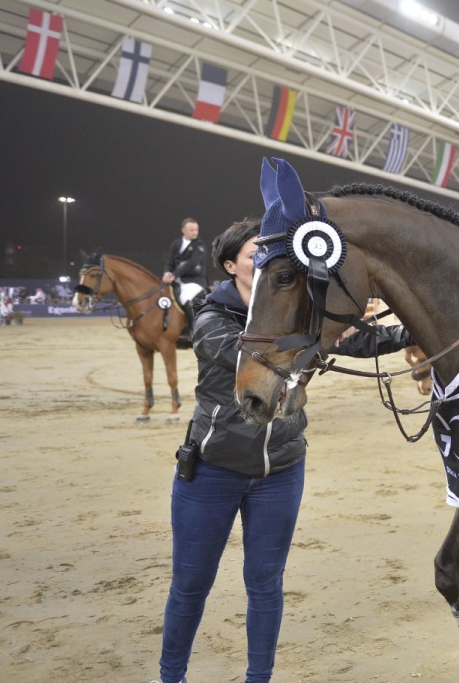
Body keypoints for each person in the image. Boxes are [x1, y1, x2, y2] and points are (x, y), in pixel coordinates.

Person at [154, 218, 412, 683]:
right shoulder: (213, 314)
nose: (266, 261)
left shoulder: (300, 315)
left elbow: (366, 342)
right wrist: (317, 334)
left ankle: (260, 678)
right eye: (254, 255)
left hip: (281, 473)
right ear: (231, 266)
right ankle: (171, 676)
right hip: (212, 472)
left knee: (266, 585)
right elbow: (244, 352)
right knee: (190, 586)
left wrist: (416, 329)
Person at [162, 218, 210, 343]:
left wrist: (174, 274)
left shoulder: (200, 245)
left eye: (196, 230)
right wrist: (167, 273)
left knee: (185, 298)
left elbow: (191, 263)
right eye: (191, 230)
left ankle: (194, 331)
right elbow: (169, 261)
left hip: (194, 281)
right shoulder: (176, 243)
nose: (195, 232)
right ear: (183, 230)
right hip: (177, 280)